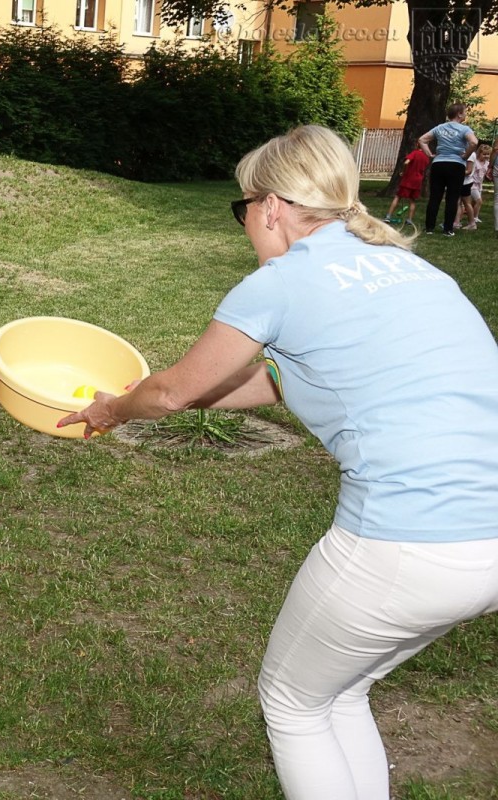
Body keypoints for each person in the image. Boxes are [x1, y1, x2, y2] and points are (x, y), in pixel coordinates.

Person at [59, 125, 498, 800]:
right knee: (341, 692)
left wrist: (114, 410)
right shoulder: (414, 269)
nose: (246, 229)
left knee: (293, 703)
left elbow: (174, 389)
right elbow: (273, 381)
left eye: (244, 211)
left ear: (269, 207)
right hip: (486, 547)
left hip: (405, 542)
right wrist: (166, 400)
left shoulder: (285, 280)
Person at [418, 103, 479, 236]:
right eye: (465, 112)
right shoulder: (464, 129)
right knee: (452, 197)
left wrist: (429, 154)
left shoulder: (440, 128)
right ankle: (448, 229)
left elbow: (422, 139)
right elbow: (474, 142)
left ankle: (429, 228)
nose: (466, 114)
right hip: (456, 165)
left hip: (438, 164)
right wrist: (466, 155)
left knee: (435, 196)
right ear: (459, 114)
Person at [382, 146, 428, 225]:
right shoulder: (426, 157)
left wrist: (404, 171)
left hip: (408, 179)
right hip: (418, 181)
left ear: (417, 145)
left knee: (398, 197)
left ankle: (388, 217)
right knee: (412, 200)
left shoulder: (414, 153)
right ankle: (409, 220)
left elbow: (406, 162)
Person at [460, 143, 491, 230]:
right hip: (472, 184)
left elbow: (484, 173)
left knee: (473, 202)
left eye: (488, 154)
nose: (486, 156)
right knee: (479, 201)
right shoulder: (475, 162)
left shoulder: (487, 163)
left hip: (479, 184)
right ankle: (474, 218)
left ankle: (472, 216)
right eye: (484, 154)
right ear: (479, 153)